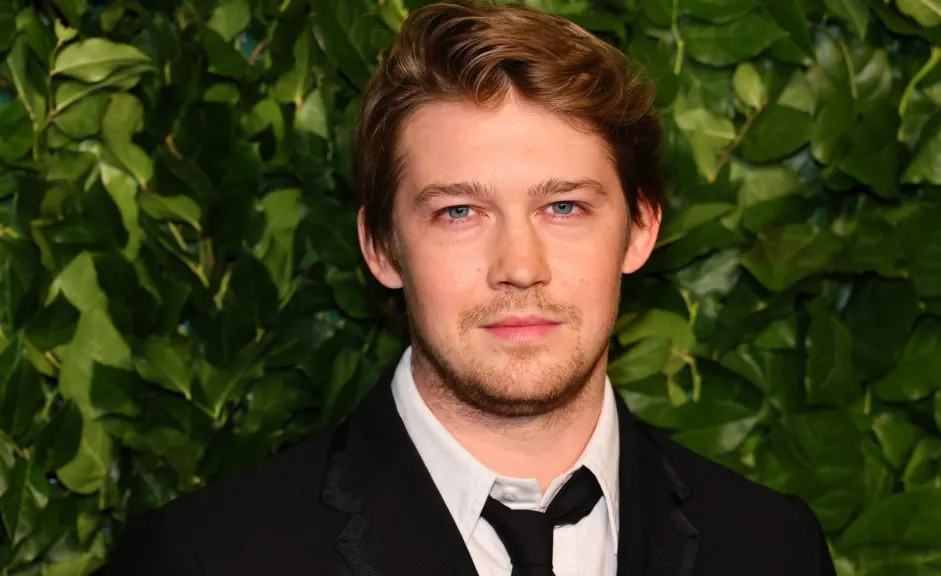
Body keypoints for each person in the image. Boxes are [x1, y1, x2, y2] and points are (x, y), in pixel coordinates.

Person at [100, 1, 837, 574]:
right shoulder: (204, 559)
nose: (519, 264)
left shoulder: (772, 549)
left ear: (640, 230)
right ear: (382, 248)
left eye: (564, 207)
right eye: (459, 211)